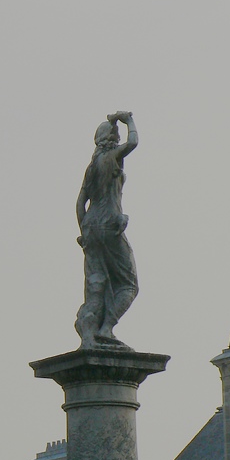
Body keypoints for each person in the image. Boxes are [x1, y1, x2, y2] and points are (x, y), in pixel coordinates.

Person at [75, 111, 139, 349]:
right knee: (129, 284)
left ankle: (89, 335)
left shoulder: (91, 166)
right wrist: (128, 119)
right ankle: (106, 328)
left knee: (96, 282)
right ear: (112, 138)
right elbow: (133, 142)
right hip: (110, 223)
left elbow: (80, 202)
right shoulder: (113, 155)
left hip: (91, 226)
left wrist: (84, 231)